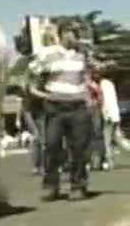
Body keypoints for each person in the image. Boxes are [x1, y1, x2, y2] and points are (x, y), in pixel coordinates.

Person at [28, 24, 93, 201]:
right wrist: (41, 94)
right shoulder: (46, 54)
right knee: (51, 146)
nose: (77, 37)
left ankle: (78, 185)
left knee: (79, 148)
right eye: (74, 33)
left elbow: (87, 76)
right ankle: (51, 186)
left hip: (78, 106)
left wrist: (89, 97)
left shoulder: (83, 55)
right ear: (64, 34)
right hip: (55, 107)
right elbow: (31, 78)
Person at [99, 69, 130, 170]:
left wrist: (106, 114)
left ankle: (108, 161)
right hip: (115, 114)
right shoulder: (110, 84)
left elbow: (106, 101)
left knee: (106, 139)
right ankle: (107, 160)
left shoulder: (103, 84)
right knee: (118, 137)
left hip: (108, 115)